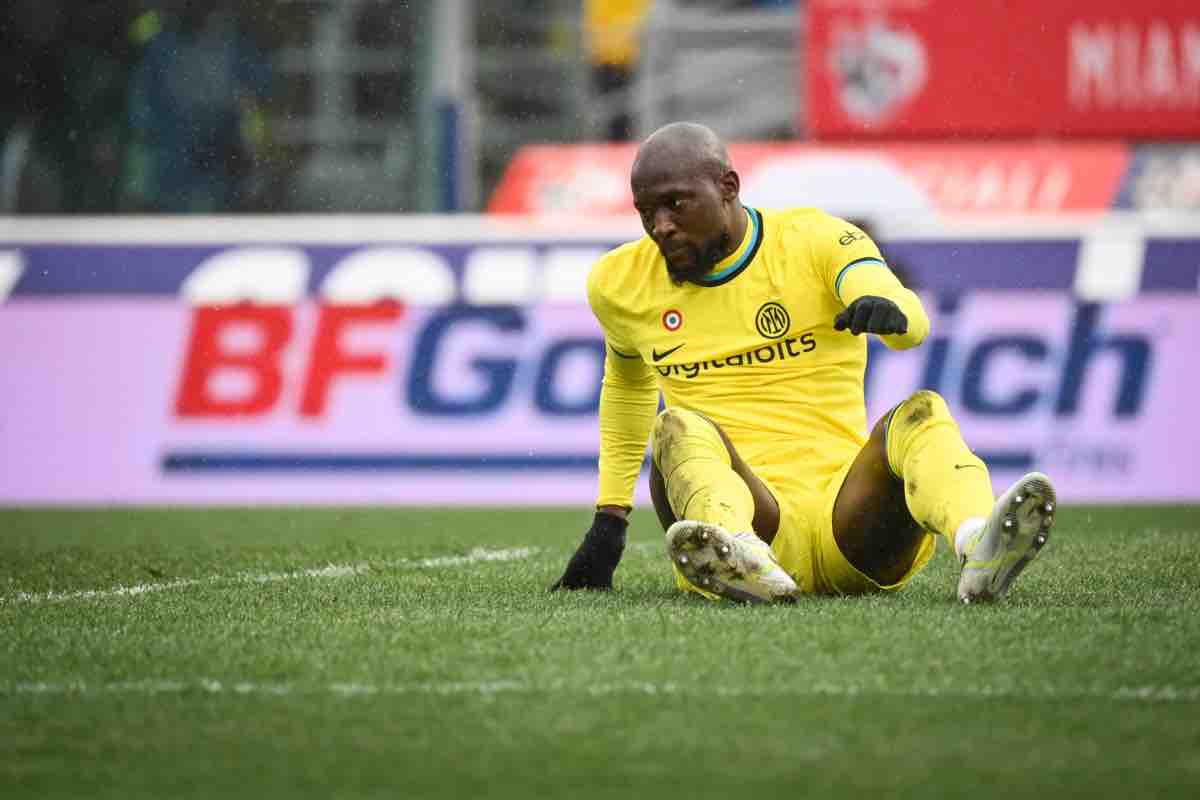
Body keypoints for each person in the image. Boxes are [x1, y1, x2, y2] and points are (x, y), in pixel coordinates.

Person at [551, 121, 1056, 604]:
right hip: (753, 515)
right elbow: (627, 390)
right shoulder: (618, 282)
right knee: (676, 427)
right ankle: (740, 555)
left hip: (850, 524)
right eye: (647, 212)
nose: (662, 226)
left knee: (921, 414)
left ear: (728, 186)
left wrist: (888, 311)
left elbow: (909, 320)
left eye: (677, 204)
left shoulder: (814, 239)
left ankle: (979, 544)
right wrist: (609, 522)